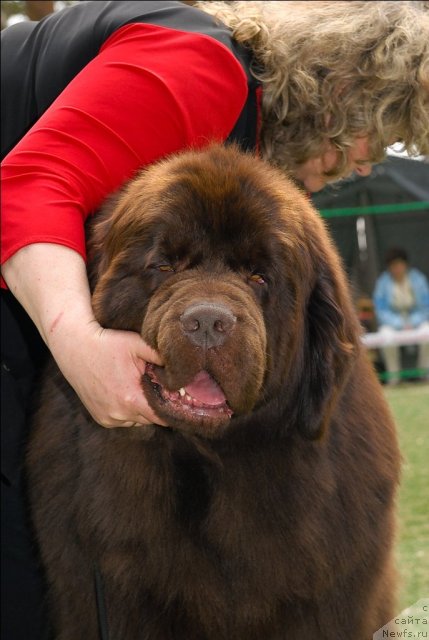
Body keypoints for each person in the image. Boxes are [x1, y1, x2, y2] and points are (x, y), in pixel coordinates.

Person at [1, 1, 428, 637]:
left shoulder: (241, 136)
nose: (366, 165)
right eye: (378, 131)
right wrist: (80, 344)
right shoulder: (202, 63)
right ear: (339, 90)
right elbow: (28, 187)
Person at [373, 247, 429, 384]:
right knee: (385, 336)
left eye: (399, 264)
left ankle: (424, 375)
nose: (397, 269)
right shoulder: (382, 282)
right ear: (389, 267)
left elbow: (426, 306)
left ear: (406, 265)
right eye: (393, 266)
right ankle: (394, 378)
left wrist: (412, 322)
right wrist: (400, 324)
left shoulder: (418, 279)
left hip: (417, 321)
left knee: (427, 333)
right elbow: (380, 310)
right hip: (392, 323)